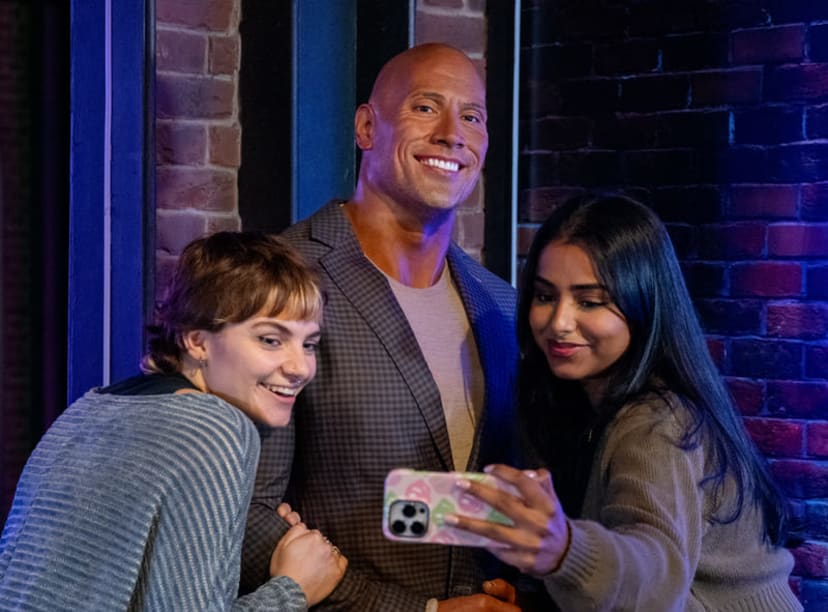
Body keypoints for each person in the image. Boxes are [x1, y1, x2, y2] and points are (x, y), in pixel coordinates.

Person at [241, 44, 521, 611]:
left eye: (472, 117)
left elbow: (445, 500)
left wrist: (515, 574)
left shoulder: (501, 306)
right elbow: (242, 518)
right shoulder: (280, 277)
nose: (452, 133)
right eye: (425, 108)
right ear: (367, 126)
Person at [443, 193, 803, 611]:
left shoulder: (655, 422)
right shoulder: (578, 403)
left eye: (590, 301)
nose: (559, 323)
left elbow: (656, 569)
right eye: (544, 296)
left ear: (643, 303)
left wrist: (564, 552)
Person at [0, 232, 347, 611]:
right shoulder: (215, 428)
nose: (300, 368)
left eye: (309, 344)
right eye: (270, 340)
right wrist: (295, 586)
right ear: (197, 342)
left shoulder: (90, 408)